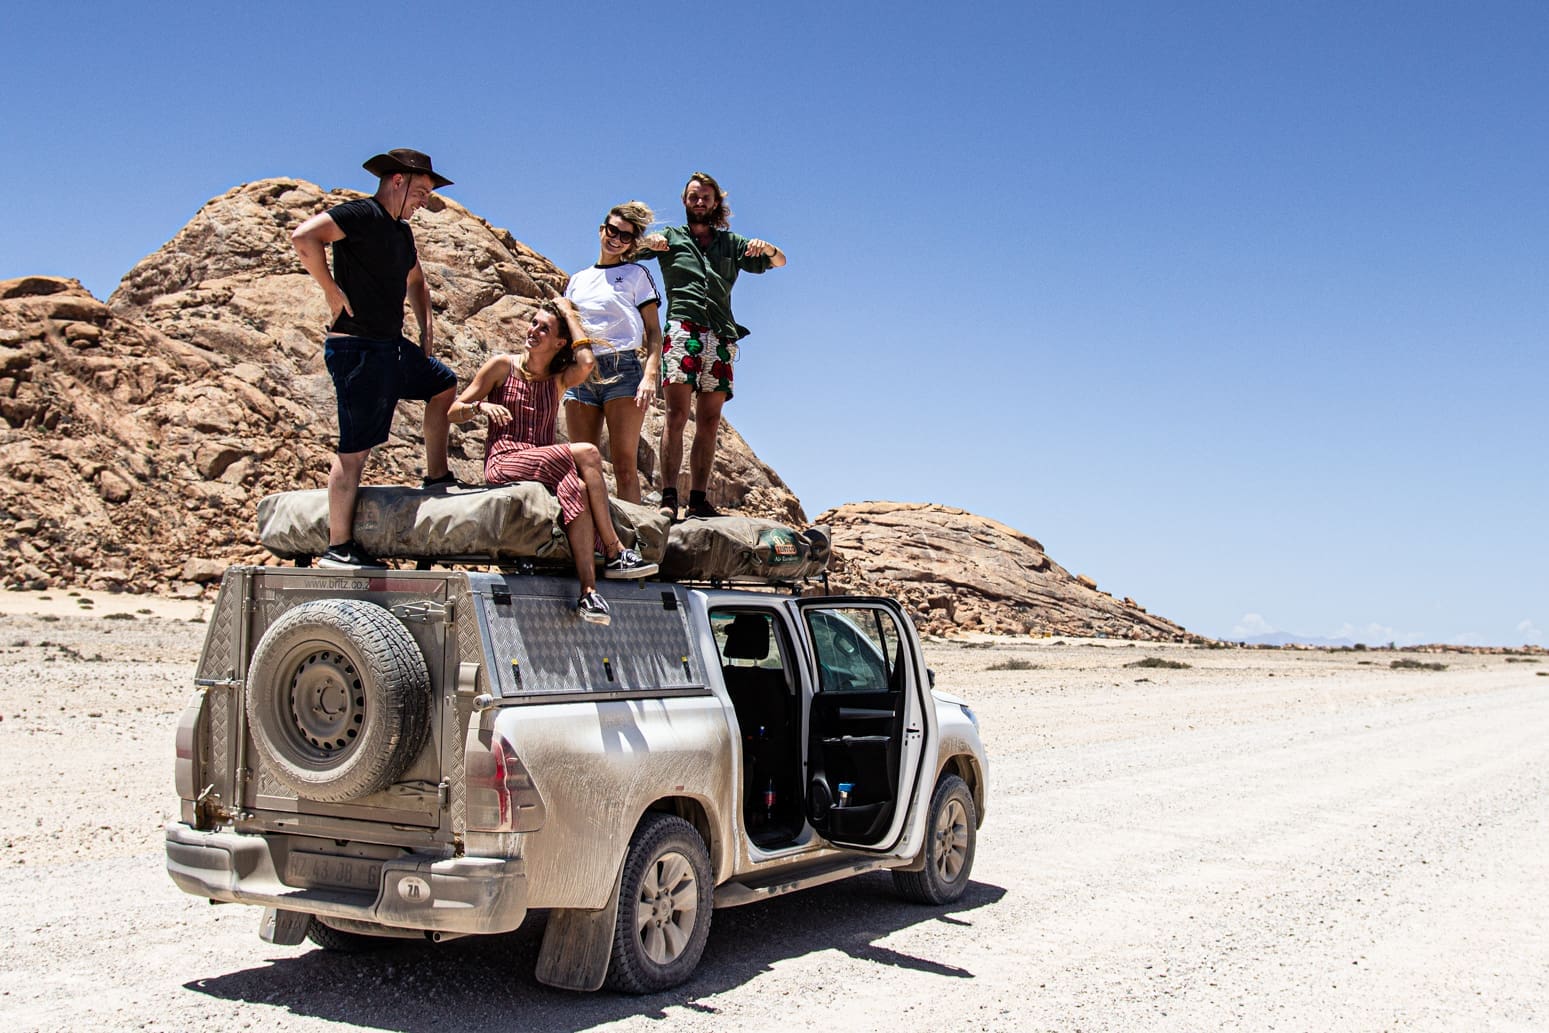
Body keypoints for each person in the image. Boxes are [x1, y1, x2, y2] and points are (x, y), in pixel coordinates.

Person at [291, 148, 460, 569]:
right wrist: (331, 290)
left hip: (391, 347)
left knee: (442, 384)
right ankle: (338, 546)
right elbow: (304, 237)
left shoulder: (401, 232)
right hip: (358, 348)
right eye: (421, 191)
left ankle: (437, 476)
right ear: (397, 181)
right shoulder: (360, 214)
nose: (424, 201)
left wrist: (426, 326)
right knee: (354, 451)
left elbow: (416, 279)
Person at [451, 299, 657, 625]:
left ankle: (588, 593)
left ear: (560, 342)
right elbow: (453, 411)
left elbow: (586, 362)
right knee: (588, 453)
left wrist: (571, 315)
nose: (533, 330)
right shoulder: (501, 367)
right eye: (533, 323)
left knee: (578, 488)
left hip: (546, 465)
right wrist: (480, 407)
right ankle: (614, 550)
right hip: (505, 460)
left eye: (543, 328)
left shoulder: (557, 379)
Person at [638, 172, 786, 520]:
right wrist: (648, 242)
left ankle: (699, 500)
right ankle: (669, 496)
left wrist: (768, 248)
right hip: (683, 328)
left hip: (719, 334)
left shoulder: (731, 243)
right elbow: (631, 250)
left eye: (706, 197)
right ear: (684, 201)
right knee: (676, 415)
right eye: (694, 196)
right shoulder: (671, 238)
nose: (700, 202)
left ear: (716, 201)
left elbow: (779, 261)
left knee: (710, 420)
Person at [562, 201, 662, 505]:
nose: (616, 239)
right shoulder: (577, 280)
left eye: (626, 236)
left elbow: (654, 332)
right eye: (612, 231)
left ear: (632, 243)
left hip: (623, 369)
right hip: (581, 370)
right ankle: (589, 530)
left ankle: (632, 533)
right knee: (581, 463)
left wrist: (650, 375)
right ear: (601, 230)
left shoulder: (636, 274)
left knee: (624, 466)